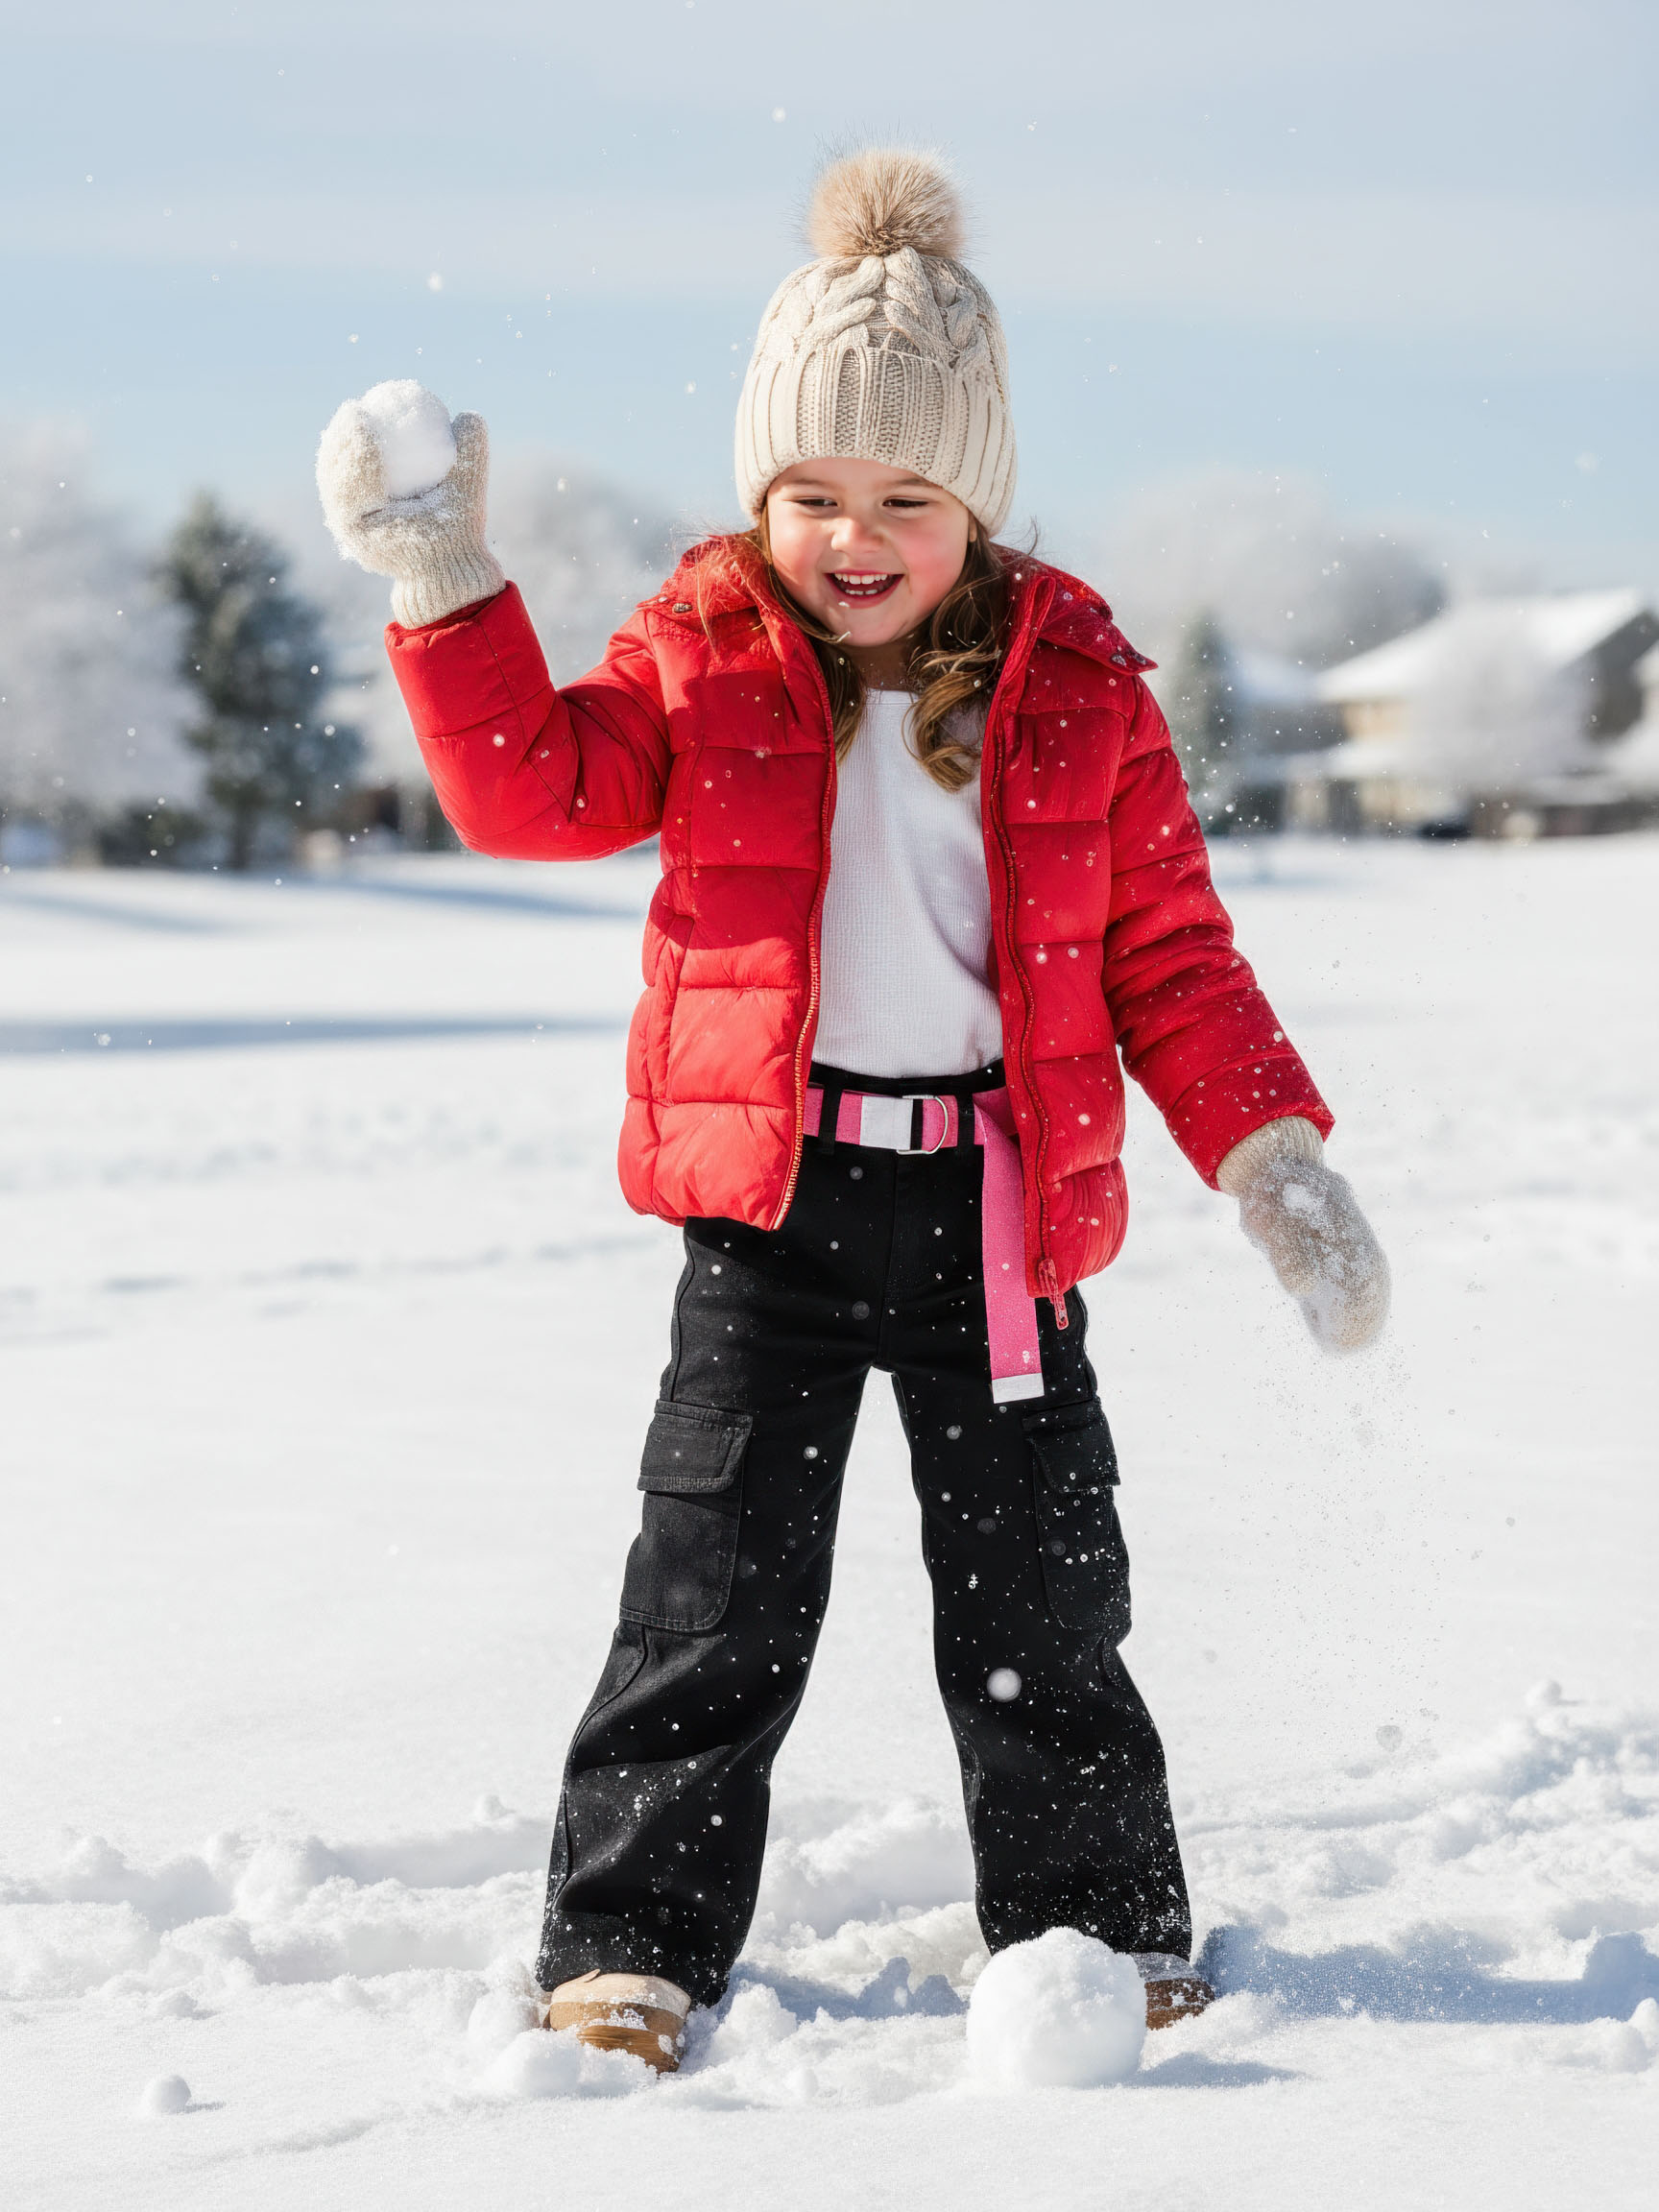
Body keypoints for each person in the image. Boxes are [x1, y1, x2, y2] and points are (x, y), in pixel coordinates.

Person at [317, 147, 1388, 2076]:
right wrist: (444, 586)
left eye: (904, 497)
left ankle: (1095, 1933)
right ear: (763, 497)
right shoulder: (707, 657)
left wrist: (1269, 1152)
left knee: (1044, 1609)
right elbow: (535, 793)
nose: (854, 537)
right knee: (710, 1598)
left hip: (996, 1224)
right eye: (812, 496)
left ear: (973, 501)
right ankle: (626, 1948)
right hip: (773, 1213)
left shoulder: (1082, 692)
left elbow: (1174, 962)